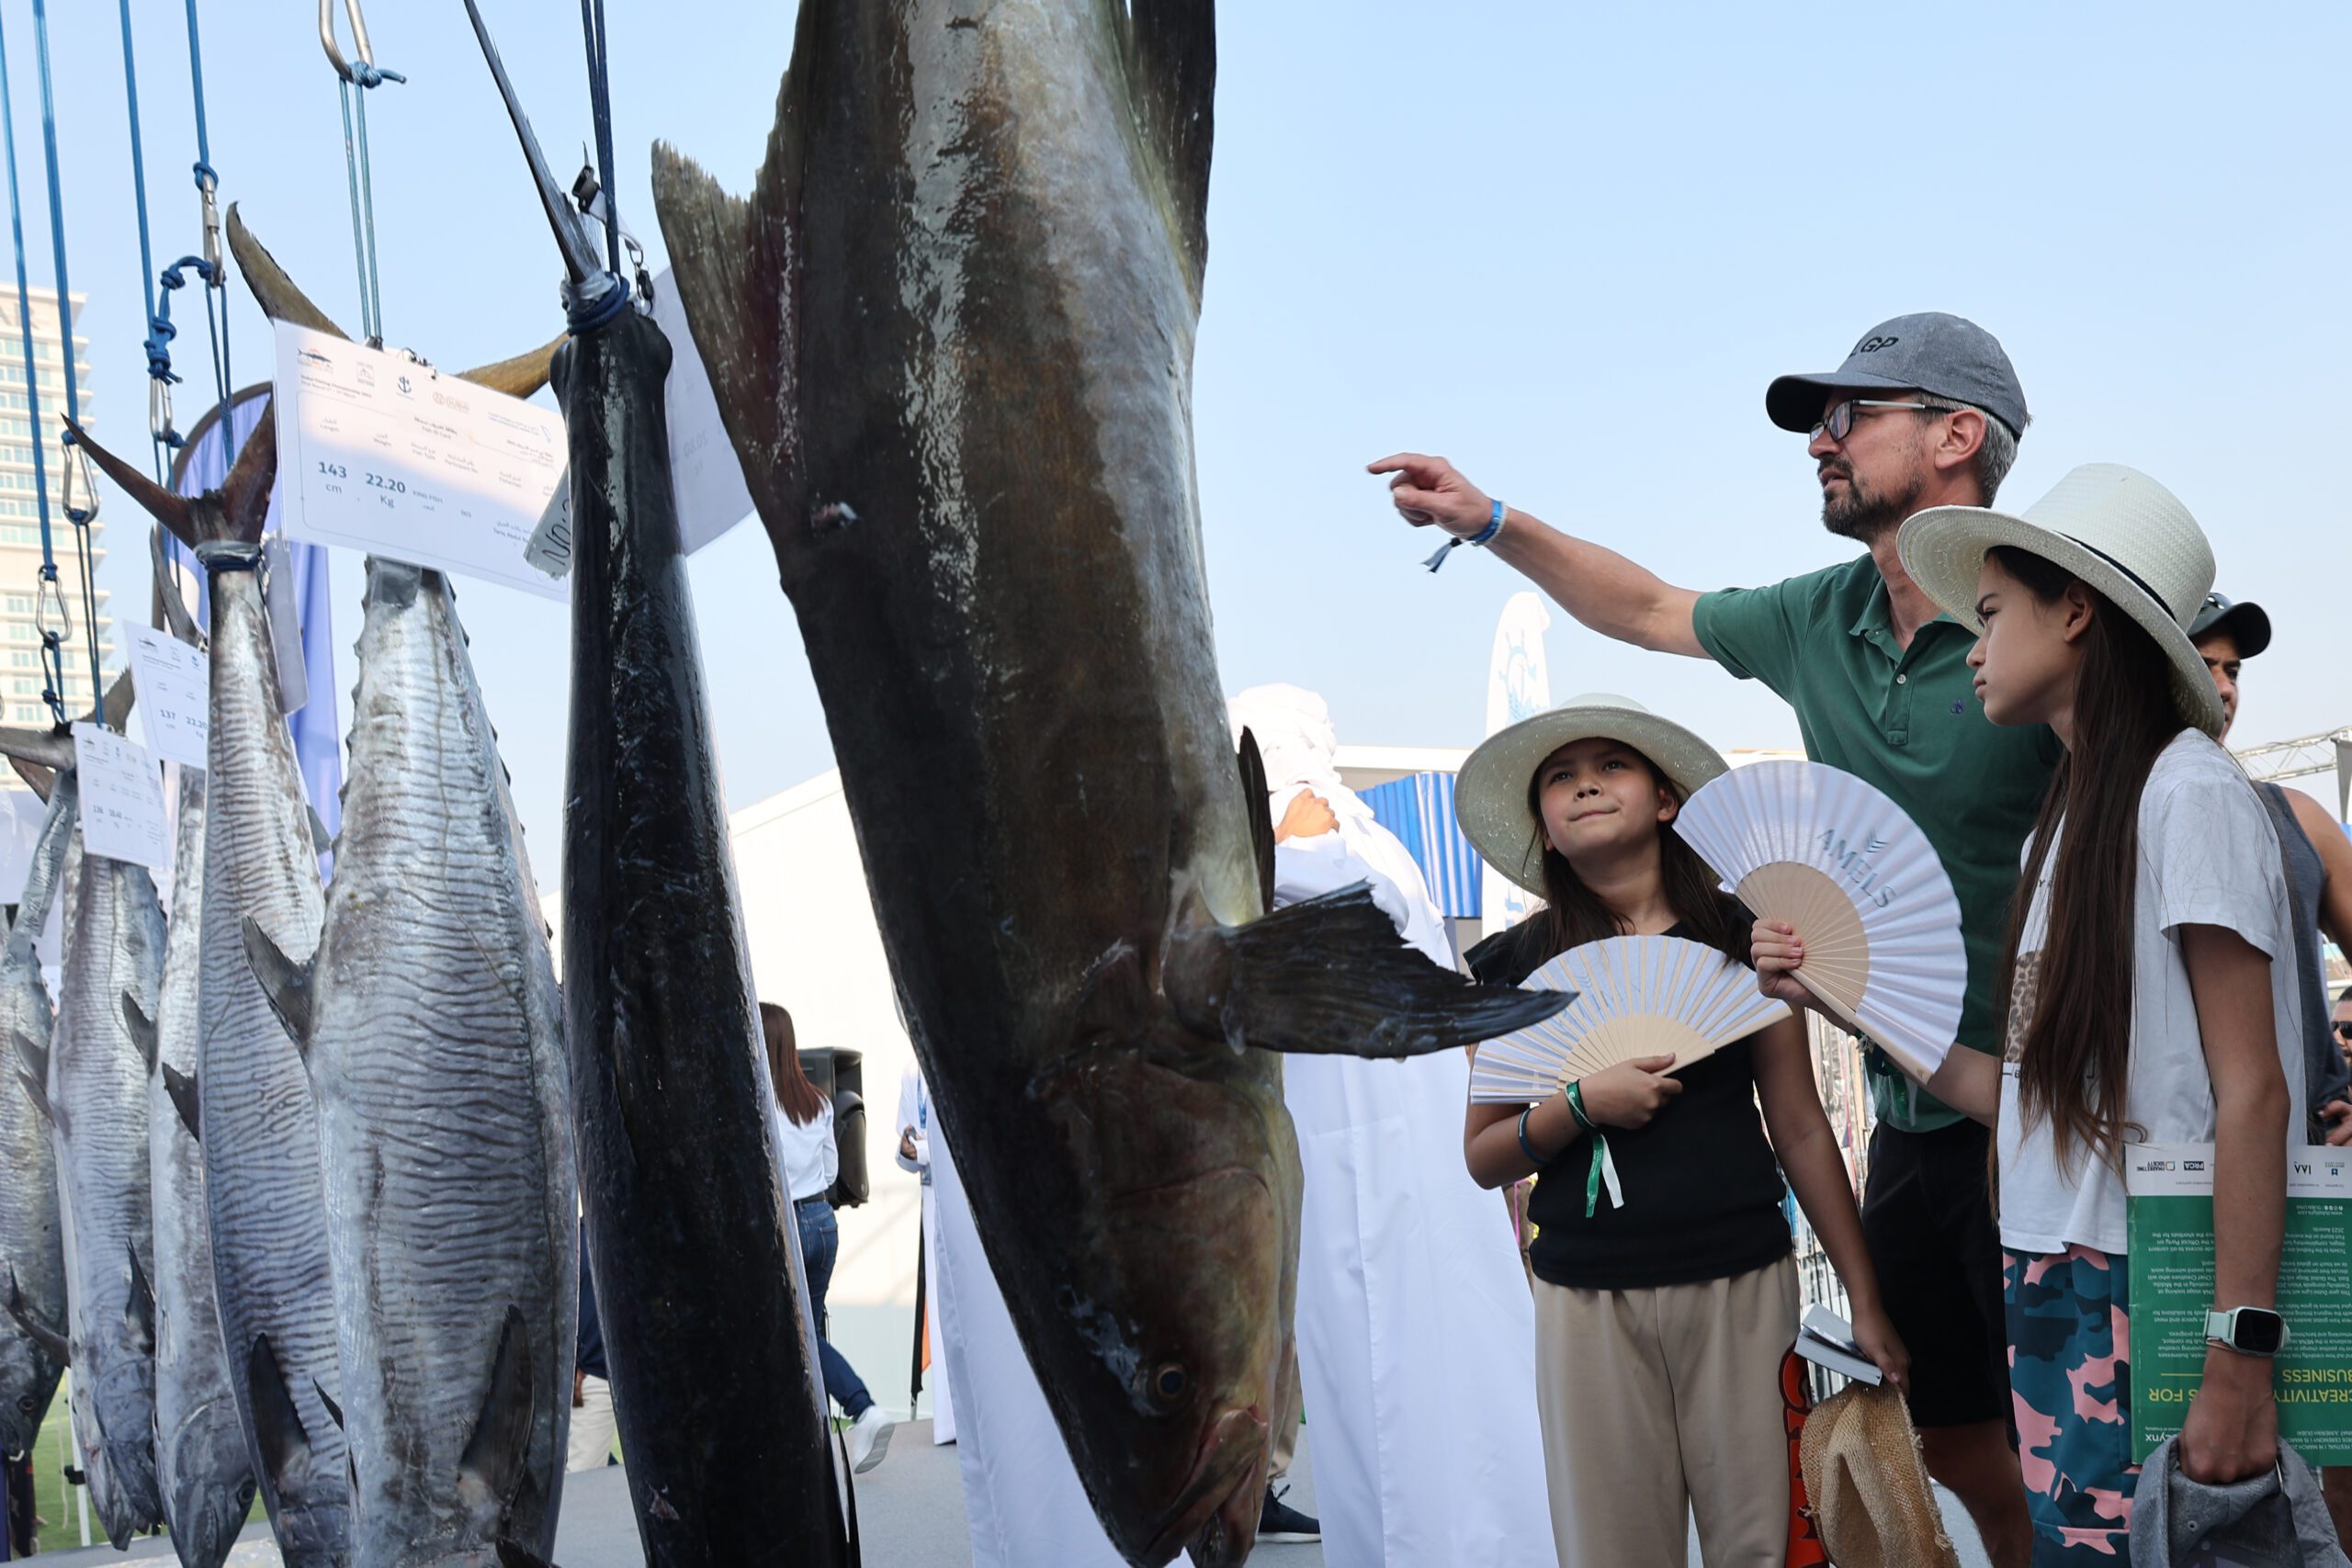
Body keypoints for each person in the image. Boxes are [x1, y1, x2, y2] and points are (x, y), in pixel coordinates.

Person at [1373, 313, 2047, 1566]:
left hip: (2049, 1109)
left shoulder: (2048, 618)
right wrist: (1487, 518)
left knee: (2074, 1445)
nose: (1819, 444)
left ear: (1958, 435)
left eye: (1850, 416)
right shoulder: (1819, 614)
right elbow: (1641, 605)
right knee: (1953, 1438)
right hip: (1912, 1105)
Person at [1763, 465, 2301, 1560]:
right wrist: (1841, 990)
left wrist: (2240, 1351)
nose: (1969, 642)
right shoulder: (2054, 830)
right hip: (2058, 1267)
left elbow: (2254, 1088)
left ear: (2075, 611)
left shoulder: (2187, 793)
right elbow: (2011, 1094)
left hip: (2157, 1279)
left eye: (1992, 611)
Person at [1454, 693, 1906, 1568]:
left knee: (1764, 1542)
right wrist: (1582, 1105)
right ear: (1543, 827)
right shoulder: (1517, 966)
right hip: (1587, 1297)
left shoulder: (1751, 942)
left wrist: (1866, 1296)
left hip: (1742, 1283)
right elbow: (1482, 1154)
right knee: (1613, 1549)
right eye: (1561, 778)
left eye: (1611, 766)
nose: (1586, 786)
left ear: (1666, 799)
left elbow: (1803, 1127)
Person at [1228, 683, 1555, 1564]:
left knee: (1392, 1377)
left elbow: (1303, 902)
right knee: (1436, 1369)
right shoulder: (1378, 840)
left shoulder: (1308, 828)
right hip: (1397, 1144)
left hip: (1364, 1158)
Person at [2190, 592, 2352, 1145]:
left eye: (2231, 669)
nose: (2225, 686)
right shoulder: (2107, 822)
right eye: (2203, 663)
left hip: (2313, 1150)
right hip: (2167, 1167)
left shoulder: (2300, 816)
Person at [763, 1002, 892, 1472]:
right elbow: (833, 1169)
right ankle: (813, 1439)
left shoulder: (760, 1104)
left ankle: (862, 1407)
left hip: (788, 1227)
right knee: (810, 1330)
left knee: (798, 1338)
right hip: (822, 1220)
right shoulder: (817, 1100)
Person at [897, 1063, 956, 1444]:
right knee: (941, 1307)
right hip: (933, 1200)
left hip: (969, 1203)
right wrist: (908, 1150)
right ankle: (950, 1421)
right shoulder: (912, 1073)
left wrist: (922, 1151)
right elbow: (906, 1149)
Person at [567, 1220, 617, 1472]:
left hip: (620, 1377)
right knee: (581, 1476)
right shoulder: (574, 1240)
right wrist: (576, 1363)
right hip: (590, 1377)